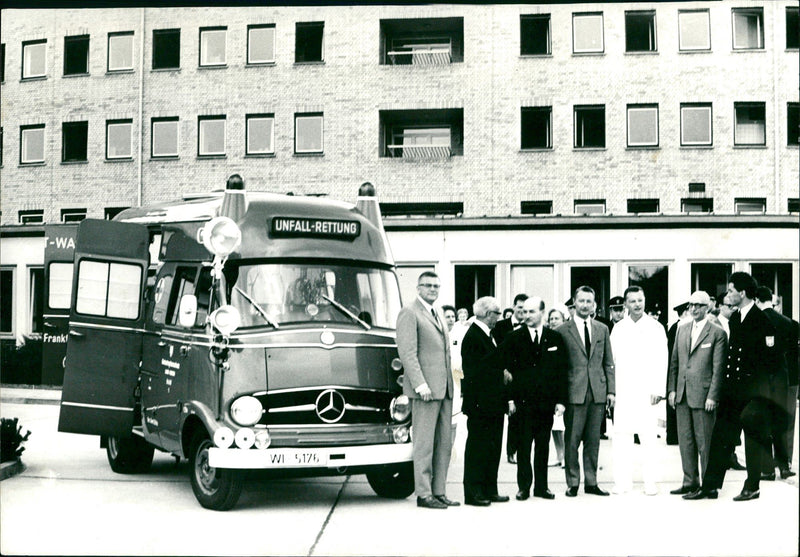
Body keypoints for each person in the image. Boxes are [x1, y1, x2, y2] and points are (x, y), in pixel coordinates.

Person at [684, 272, 781, 502]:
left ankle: (753, 486)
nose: (728, 295)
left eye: (730, 291)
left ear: (742, 293)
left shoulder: (762, 320)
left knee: (752, 438)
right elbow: (734, 357)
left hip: (754, 394)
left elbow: (772, 364)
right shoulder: (737, 319)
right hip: (734, 391)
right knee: (721, 438)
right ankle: (710, 486)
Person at [395, 271, 459, 509]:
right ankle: (424, 494)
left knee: (443, 443)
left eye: (436, 286)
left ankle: (439, 491)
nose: (433, 289)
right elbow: (408, 353)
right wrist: (420, 384)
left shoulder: (439, 313)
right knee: (424, 444)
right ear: (418, 288)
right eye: (428, 285)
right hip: (425, 390)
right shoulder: (410, 312)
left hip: (444, 389)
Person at [501, 297, 568, 500]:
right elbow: (506, 372)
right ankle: (524, 487)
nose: (527, 316)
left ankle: (542, 487)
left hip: (546, 403)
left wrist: (560, 401)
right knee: (523, 446)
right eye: (524, 312)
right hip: (522, 403)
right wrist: (510, 400)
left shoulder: (555, 338)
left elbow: (561, 372)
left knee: (542, 446)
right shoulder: (514, 337)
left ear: (542, 312)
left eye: (532, 312)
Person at [556, 286, 615, 497]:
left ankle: (591, 482)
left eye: (589, 301)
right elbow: (558, 367)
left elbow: (608, 362)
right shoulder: (562, 330)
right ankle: (573, 482)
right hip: (574, 392)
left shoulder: (602, 329)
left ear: (594, 305)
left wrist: (611, 391)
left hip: (597, 392)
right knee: (572, 439)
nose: (585, 305)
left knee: (593, 440)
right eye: (581, 301)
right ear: (574, 302)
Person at [609, 286, 668, 495]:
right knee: (622, 438)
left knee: (649, 439)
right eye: (632, 301)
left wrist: (658, 389)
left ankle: (650, 483)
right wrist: (612, 392)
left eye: (640, 300)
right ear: (625, 304)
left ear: (645, 301)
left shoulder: (656, 327)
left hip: (647, 392)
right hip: (623, 391)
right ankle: (623, 483)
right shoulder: (618, 329)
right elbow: (611, 362)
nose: (637, 304)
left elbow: (663, 360)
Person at [667, 291, 727, 495]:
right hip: (683, 394)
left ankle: (709, 486)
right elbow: (674, 363)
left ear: (708, 307)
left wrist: (713, 395)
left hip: (704, 397)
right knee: (686, 441)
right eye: (691, 305)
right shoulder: (681, 330)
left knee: (706, 443)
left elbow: (719, 368)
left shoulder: (717, 333)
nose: (694, 309)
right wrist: (672, 389)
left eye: (699, 305)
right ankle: (690, 481)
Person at [460, 296, 510, 506]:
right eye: (497, 313)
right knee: (478, 449)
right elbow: (475, 372)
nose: (499, 317)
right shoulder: (473, 336)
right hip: (481, 404)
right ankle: (474, 492)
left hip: (493, 403)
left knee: (492, 447)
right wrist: (501, 374)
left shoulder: (488, 335)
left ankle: (490, 488)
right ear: (488, 314)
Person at [755, 286, 795, 480]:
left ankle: (767, 469)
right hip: (781, 376)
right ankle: (784, 466)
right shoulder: (788, 322)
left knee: (763, 423)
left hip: (761, 378)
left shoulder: (755, 320)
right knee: (780, 422)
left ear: (756, 300)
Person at [492, 293, 529, 464]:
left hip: (520, 378)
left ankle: (513, 451)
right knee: (502, 415)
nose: (522, 311)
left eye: (525, 308)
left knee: (518, 417)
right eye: (520, 307)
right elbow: (495, 352)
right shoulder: (500, 326)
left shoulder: (530, 326)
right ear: (514, 307)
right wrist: (503, 369)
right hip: (502, 376)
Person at [547, 307, 569, 466]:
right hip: (550, 386)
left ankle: (566, 456)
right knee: (554, 426)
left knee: (563, 425)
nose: (554, 321)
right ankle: (559, 455)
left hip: (563, 385)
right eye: (552, 318)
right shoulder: (547, 337)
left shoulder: (566, 336)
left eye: (557, 318)